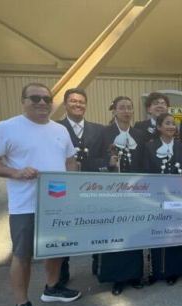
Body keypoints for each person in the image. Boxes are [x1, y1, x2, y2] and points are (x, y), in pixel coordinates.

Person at [0, 82, 81, 306]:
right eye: (35, 98)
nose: (42, 103)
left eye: (47, 99)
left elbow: (70, 160)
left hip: (57, 202)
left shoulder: (60, 130)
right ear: (23, 101)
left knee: (56, 248)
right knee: (23, 255)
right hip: (25, 205)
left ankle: (52, 287)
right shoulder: (6, 128)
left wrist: (72, 185)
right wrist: (15, 172)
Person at [95, 96, 146, 295]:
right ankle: (116, 278)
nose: (126, 111)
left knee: (133, 232)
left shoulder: (139, 135)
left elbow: (144, 161)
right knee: (114, 233)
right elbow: (93, 158)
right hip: (112, 191)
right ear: (114, 111)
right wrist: (108, 163)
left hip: (135, 191)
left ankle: (134, 275)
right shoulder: (104, 133)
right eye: (122, 108)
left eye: (129, 108)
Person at [56, 87, 107, 285]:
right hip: (65, 188)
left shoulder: (99, 129)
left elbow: (103, 159)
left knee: (94, 225)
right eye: (73, 101)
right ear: (66, 104)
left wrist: (84, 165)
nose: (78, 105)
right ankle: (62, 269)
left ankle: (97, 261)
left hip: (91, 187)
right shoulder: (56, 128)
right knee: (64, 228)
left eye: (81, 102)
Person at [143, 113, 182, 285]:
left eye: (173, 124)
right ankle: (156, 270)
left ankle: (174, 270)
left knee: (176, 232)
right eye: (167, 123)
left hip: (179, 198)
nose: (172, 126)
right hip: (158, 198)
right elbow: (147, 173)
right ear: (158, 127)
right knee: (158, 234)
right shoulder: (149, 148)